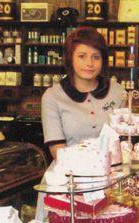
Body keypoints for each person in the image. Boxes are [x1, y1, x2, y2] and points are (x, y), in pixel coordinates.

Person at [41, 26, 126, 159]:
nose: (89, 63)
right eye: (82, 56)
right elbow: (57, 152)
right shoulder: (52, 97)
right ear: (70, 58)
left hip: (113, 173)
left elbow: (124, 144)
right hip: (69, 175)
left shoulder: (118, 92)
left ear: (103, 61)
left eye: (96, 57)